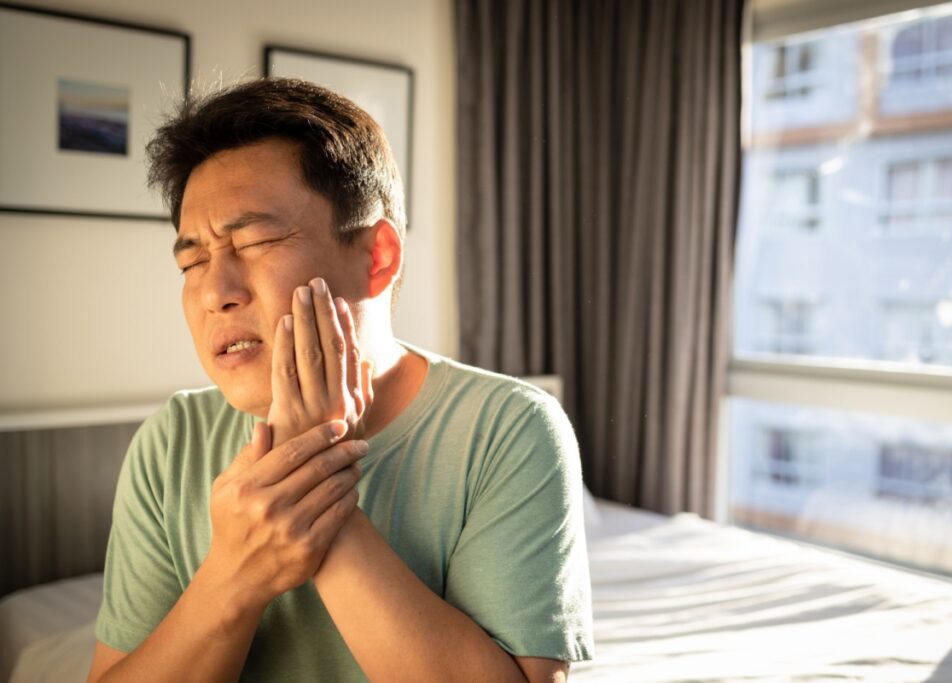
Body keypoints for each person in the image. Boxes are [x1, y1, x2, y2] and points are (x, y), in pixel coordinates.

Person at [85, 78, 593, 682]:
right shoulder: (174, 441)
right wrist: (236, 572)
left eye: (255, 240)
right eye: (192, 262)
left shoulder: (506, 429)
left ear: (377, 256)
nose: (215, 293)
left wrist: (313, 475)